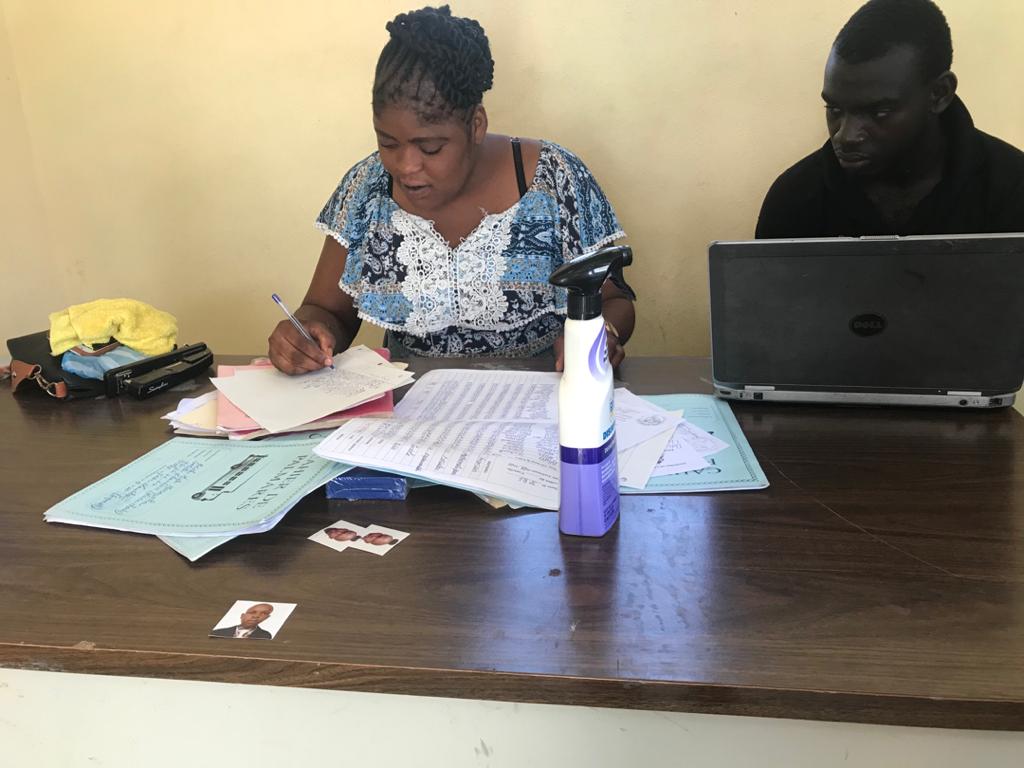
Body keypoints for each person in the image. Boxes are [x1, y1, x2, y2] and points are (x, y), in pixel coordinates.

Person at [268, 5, 634, 374]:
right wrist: (306, 335)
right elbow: (326, 311)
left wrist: (601, 334)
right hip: (409, 402)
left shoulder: (554, 180)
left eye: (430, 147)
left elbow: (615, 300)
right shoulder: (366, 189)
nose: (405, 166)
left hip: (540, 396)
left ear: (476, 125)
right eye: (388, 143)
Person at [755, 0, 1024, 239]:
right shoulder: (793, 200)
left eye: (878, 112)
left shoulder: (1014, 188)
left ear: (939, 94)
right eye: (834, 109)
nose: (845, 136)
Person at [210, 603, 274, 640]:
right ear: (242, 615)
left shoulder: (266, 636)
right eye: (252, 612)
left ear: (266, 618)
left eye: (263, 613)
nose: (256, 616)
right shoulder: (217, 633)